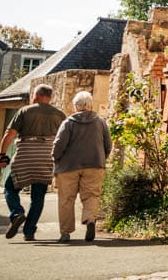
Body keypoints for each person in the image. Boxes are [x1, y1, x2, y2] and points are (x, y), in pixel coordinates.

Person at [0, 84, 66, 241]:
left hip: (25, 155)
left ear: (35, 95)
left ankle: (16, 213)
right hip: (46, 158)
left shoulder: (25, 111)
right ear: (50, 97)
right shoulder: (60, 115)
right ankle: (29, 231)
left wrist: (2, 155)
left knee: (10, 188)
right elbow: (64, 139)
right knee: (38, 196)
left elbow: (10, 134)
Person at [52, 91, 112, 243]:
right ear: (90, 105)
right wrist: (101, 158)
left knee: (66, 199)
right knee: (91, 195)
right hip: (94, 165)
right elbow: (108, 145)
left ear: (76, 106)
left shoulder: (68, 123)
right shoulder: (101, 122)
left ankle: (65, 233)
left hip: (68, 166)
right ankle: (90, 220)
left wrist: (56, 159)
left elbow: (59, 145)